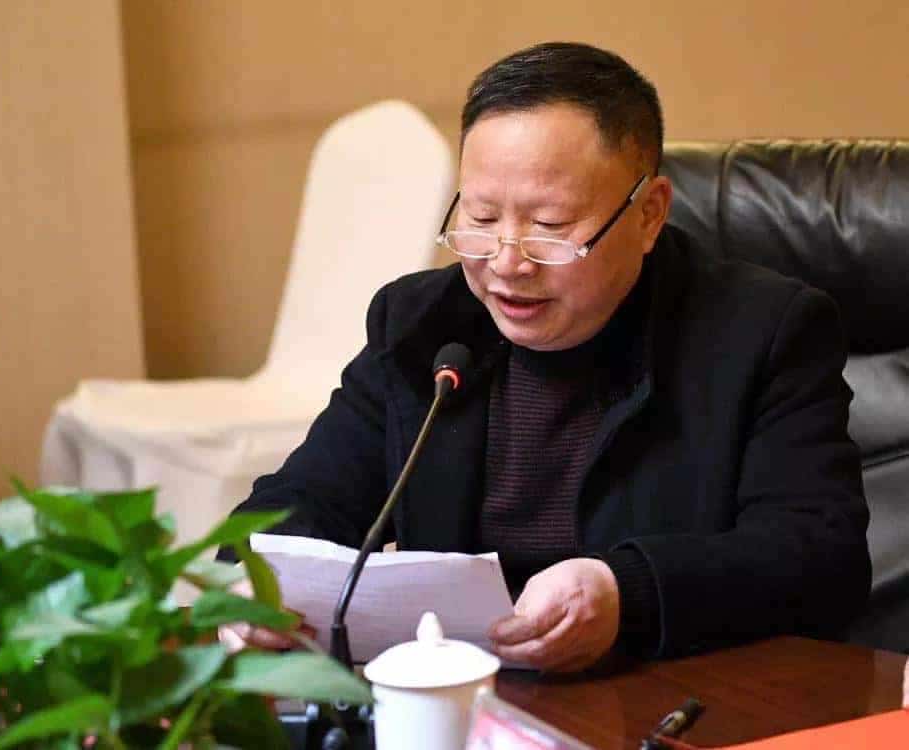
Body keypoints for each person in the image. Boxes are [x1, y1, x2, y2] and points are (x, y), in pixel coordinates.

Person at [222, 41, 871, 671]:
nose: (506, 263)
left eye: (551, 226)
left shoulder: (762, 331)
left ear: (649, 214)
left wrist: (626, 593)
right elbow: (302, 499)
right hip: (465, 700)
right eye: (481, 218)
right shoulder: (420, 324)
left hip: (667, 696)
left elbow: (819, 558)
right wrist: (257, 584)